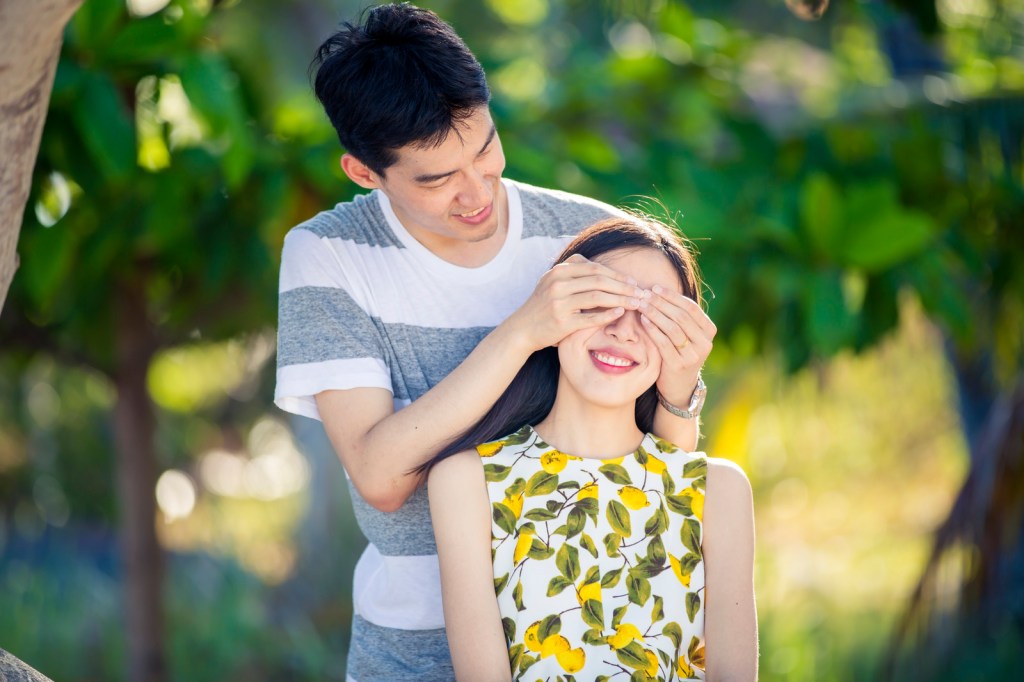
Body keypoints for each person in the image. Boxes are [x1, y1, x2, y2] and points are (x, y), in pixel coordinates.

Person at [275, 4, 716, 679]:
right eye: (437, 178)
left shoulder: (589, 237)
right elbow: (380, 475)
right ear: (365, 172)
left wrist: (681, 389)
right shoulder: (327, 254)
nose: (476, 191)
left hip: (584, 632)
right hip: (411, 649)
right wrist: (521, 331)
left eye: (484, 150)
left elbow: (654, 476)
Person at [426, 216, 757, 681]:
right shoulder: (469, 481)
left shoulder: (718, 490)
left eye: (653, 315)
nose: (624, 330)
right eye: (602, 301)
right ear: (554, 312)